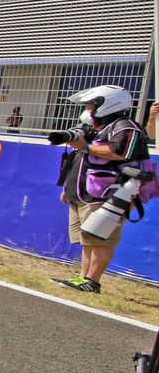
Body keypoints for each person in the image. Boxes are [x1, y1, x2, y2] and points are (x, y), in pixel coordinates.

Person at [53, 86, 148, 294]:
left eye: (91, 105)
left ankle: (92, 281)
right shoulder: (96, 127)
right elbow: (77, 159)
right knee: (87, 238)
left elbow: (120, 152)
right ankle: (83, 278)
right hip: (83, 193)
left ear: (107, 103)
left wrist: (85, 146)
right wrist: (68, 189)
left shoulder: (125, 126)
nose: (88, 109)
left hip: (111, 193)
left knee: (101, 239)